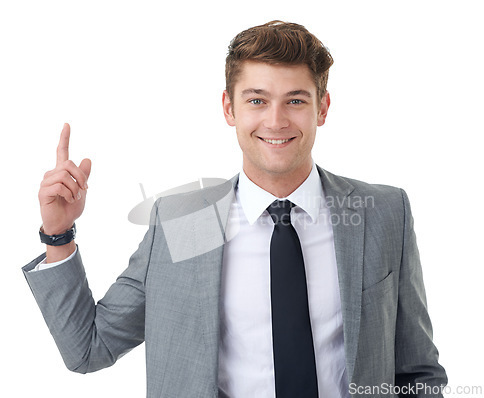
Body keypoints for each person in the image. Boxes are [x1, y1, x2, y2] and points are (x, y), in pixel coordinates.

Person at [23, 21, 448, 397]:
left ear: (323, 107)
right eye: (257, 101)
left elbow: (418, 374)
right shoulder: (186, 224)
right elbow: (88, 348)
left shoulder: (384, 213)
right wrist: (58, 235)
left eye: (296, 101)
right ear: (230, 108)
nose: (276, 121)